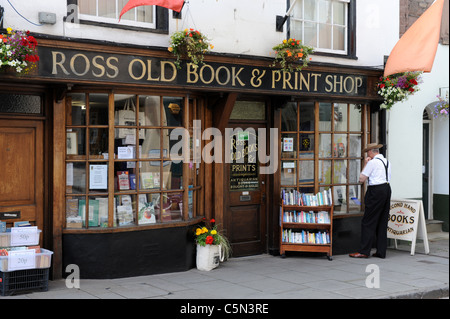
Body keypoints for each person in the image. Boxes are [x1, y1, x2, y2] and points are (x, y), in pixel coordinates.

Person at [349, 143, 392, 259]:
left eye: (368, 152)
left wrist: (365, 164)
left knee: (368, 221)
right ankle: (381, 251)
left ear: (371, 152)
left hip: (376, 190)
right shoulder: (387, 162)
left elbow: (361, 178)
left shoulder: (372, 162)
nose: (367, 154)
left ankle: (364, 251)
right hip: (386, 189)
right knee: (382, 221)